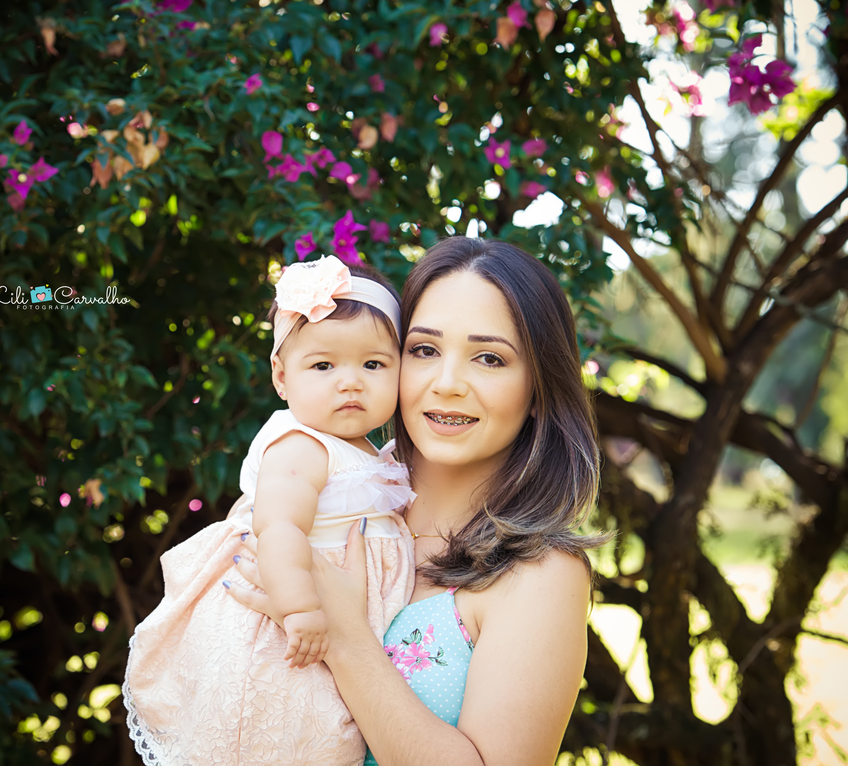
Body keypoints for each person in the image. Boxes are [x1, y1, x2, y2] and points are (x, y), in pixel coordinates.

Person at [226, 236, 605, 765]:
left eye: (490, 358)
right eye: (424, 350)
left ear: (540, 388)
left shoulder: (540, 574)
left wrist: (347, 640)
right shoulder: (325, 496)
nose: (447, 383)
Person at [122, 255, 418, 765]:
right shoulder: (302, 447)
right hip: (287, 618)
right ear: (282, 377)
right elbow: (279, 528)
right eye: (323, 365)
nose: (350, 381)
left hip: (336, 618)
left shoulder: (369, 452)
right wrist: (300, 609)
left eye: (373, 364)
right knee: (277, 725)